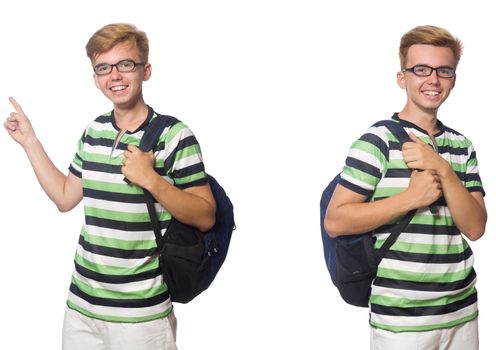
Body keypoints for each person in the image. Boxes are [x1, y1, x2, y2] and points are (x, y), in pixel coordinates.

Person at [4, 23, 216, 350]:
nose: (114, 75)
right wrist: (29, 141)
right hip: (82, 308)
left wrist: (150, 179)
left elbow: (205, 216)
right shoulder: (94, 131)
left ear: (146, 71)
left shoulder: (174, 135)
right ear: (95, 78)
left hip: (142, 316)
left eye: (125, 64)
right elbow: (64, 197)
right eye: (104, 68)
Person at [324, 25, 487, 349]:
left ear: (453, 79)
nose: (433, 80)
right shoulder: (378, 140)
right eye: (421, 70)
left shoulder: (461, 145)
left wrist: (441, 167)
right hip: (402, 321)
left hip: (463, 310)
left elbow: (476, 226)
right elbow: (336, 221)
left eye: (444, 71)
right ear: (403, 78)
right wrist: (411, 198)